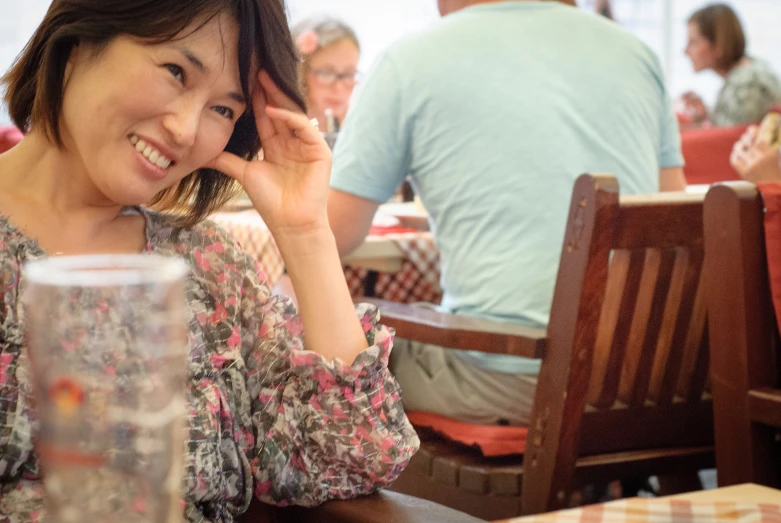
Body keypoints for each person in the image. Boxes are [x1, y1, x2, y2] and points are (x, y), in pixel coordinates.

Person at [0, 0, 418, 521]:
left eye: (224, 109)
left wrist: (304, 231)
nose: (183, 128)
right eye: (176, 71)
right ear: (77, 43)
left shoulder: (210, 267)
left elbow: (357, 455)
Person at [327, 0, 686, 428]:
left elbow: (328, 235)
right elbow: (672, 215)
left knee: (309, 323)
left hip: (514, 377)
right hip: (652, 377)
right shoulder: (637, 55)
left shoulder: (409, 61)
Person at [681, 3, 781, 127]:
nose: (685, 51)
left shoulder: (748, 85)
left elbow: (730, 140)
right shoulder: (750, 70)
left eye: (693, 42)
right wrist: (707, 114)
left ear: (718, 44)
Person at [291, 16, 361, 133]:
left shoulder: (358, 127)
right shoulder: (282, 128)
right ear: (301, 73)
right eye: (327, 73)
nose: (338, 88)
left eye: (349, 74)